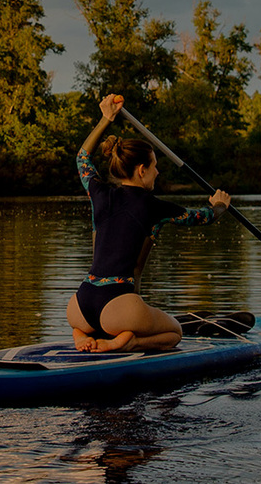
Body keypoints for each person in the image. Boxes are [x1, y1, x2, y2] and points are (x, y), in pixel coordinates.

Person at [66, 93, 231, 352]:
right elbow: (203, 217)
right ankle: (127, 342)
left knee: (88, 322)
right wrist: (220, 205)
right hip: (119, 306)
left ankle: (81, 336)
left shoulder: (99, 193)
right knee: (174, 331)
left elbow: (82, 158)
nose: (158, 171)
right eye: (154, 165)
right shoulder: (154, 206)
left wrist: (105, 120)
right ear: (141, 170)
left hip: (80, 304)